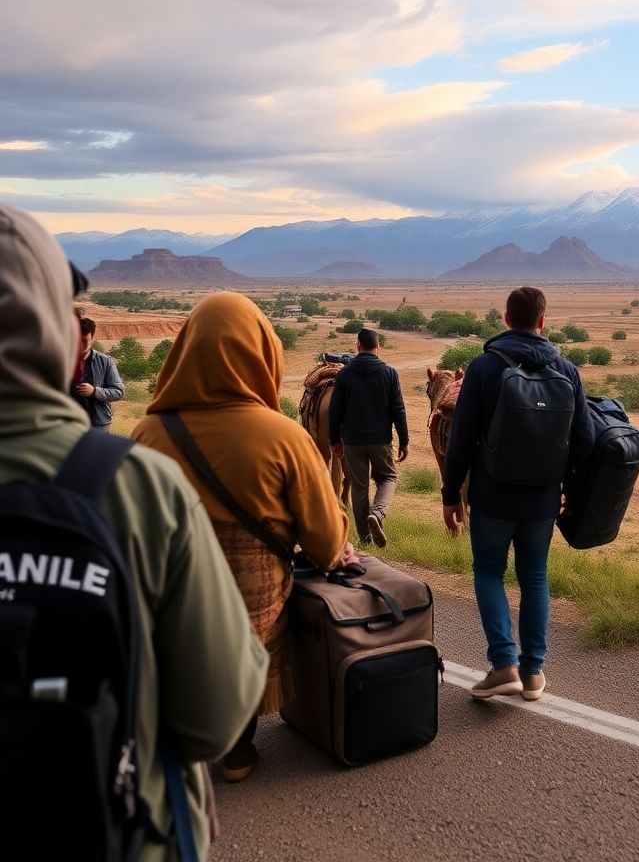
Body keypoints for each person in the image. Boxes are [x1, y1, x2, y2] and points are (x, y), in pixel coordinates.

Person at [0, 205, 268, 859]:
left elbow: (117, 397)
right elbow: (214, 717)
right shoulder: (143, 488)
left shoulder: (147, 434)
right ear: (59, 333)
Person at [132, 292, 355, 783]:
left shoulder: (146, 433)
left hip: (169, 606)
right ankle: (236, 749)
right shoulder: (284, 437)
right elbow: (323, 542)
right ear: (262, 353)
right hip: (250, 613)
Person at [441, 286, 594, 702]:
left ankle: (503, 663)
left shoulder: (485, 367)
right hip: (543, 499)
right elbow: (584, 439)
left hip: (492, 495)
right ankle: (533, 674)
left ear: (506, 319)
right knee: (534, 576)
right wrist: (569, 491)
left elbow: (462, 437)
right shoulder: (568, 370)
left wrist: (450, 493)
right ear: (542, 322)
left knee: (489, 572)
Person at [328, 327, 409, 548]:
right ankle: (378, 513)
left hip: (352, 441)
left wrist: (334, 440)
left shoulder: (344, 374)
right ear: (378, 347)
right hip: (380, 440)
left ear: (358, 346)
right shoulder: (389, 373)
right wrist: (404, 440)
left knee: (359, 486)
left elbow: (335, 411)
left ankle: (364, 538)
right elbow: (398, 410)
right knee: (388, 478)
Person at [71, 315, 125, 429]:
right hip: (69, 424)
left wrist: (94, 391)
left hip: (98, 424)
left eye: (84, 340)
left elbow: (119, 392)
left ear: (93, 340)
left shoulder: (105, 361)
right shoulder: (62, 361)